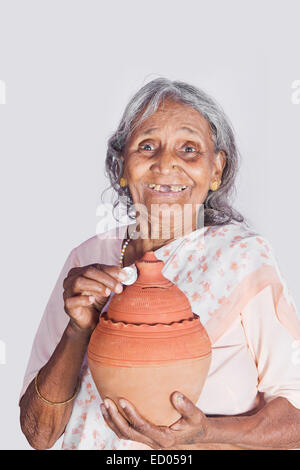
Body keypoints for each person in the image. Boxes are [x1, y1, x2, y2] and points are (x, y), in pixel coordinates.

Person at [19, 78, 300, 450]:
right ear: (121, 165)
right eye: (147, 146)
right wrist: (77, 331)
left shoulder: (241, 259)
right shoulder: (87, 260)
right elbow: (39, 434)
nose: (166, 163)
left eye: (189, 149)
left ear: (216, 169)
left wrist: (207, 433)